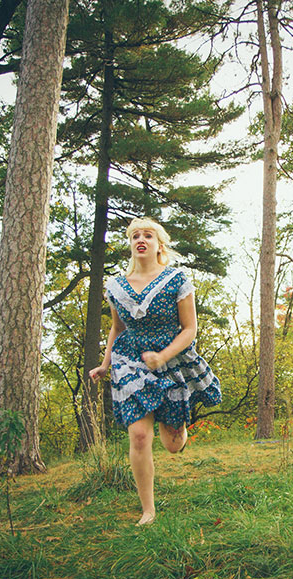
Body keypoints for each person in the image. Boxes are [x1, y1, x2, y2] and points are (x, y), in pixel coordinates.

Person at [89, 217, 221, 526]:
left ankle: (176, 427)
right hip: (130, 360)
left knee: (172, 444)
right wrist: (106, 363)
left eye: (148, 235)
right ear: (131, 245)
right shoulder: (116, 287)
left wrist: (162, 357)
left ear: (158, 245)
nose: (141, 239)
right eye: (135, 235)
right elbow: (117, 328)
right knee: (138, 435)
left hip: (170, 357)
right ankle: (148, 510)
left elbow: (190, 329)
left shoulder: (176, 279)